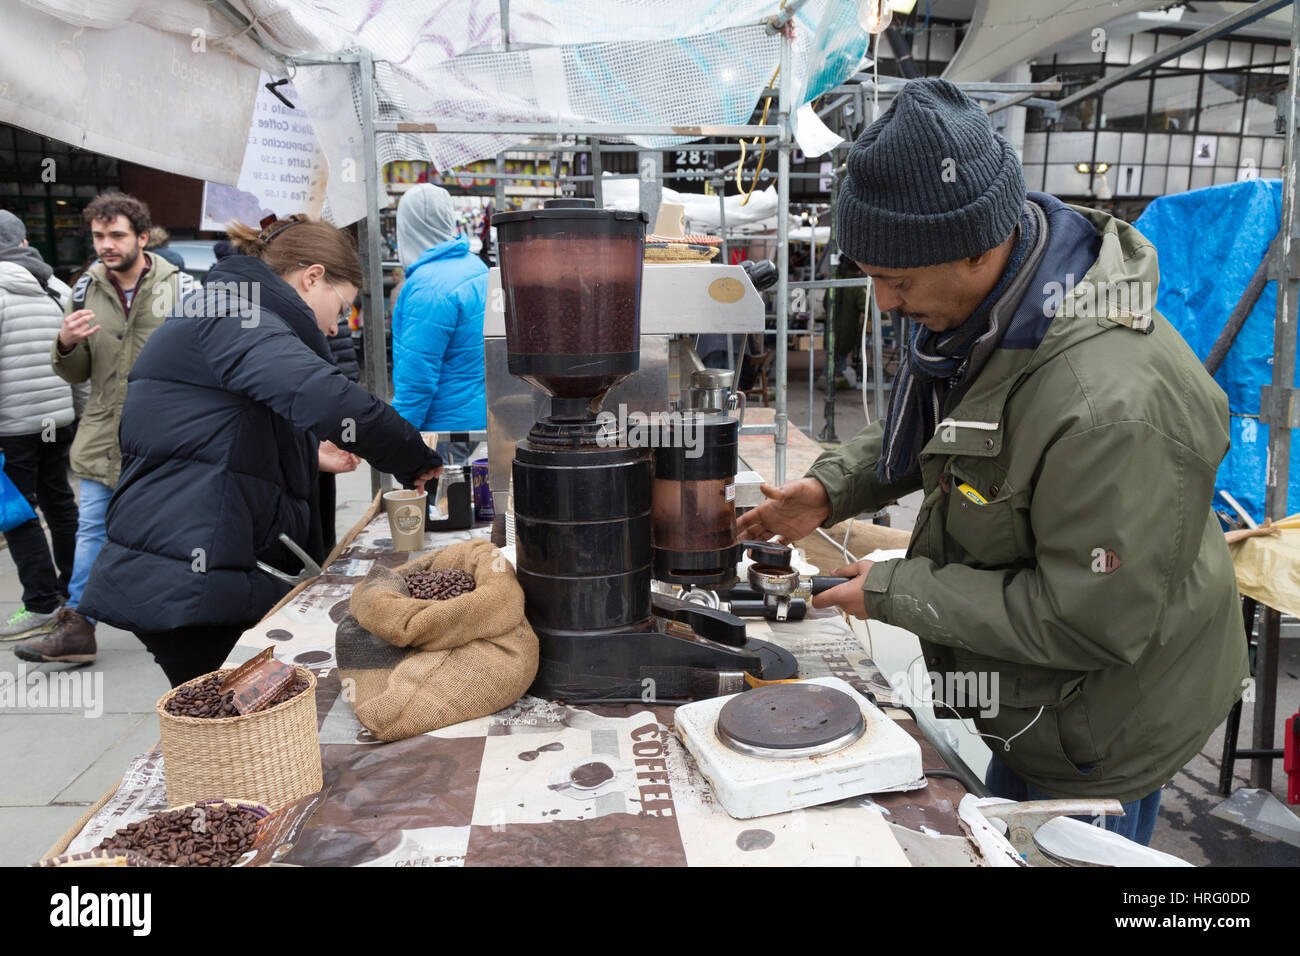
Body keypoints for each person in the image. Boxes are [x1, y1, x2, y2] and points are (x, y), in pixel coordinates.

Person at [737, 78, 1247, 847]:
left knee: (1061, 848)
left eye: (897, 281)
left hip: (1100, 724)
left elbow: (1092, 620)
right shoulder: (1006, 316)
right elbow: (962, 428)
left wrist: (898, 590)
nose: (884, 305)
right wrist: (828, 488)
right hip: (1036, 705)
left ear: (979, 245)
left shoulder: (1107, 403)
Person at [75, 215, 441, 686]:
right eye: (343, 305)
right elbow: (324, 397)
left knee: (243, 718)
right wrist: (414, 459)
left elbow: (215, 430)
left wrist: (308, 454)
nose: (336, 326)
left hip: (197, 564)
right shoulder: (232, 312)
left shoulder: (232, 308)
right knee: (231, 728)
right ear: (313, 277)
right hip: (187, 576)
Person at [15, 192, 192, 665]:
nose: (106, 245)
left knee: (168, 533)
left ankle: (181, 622)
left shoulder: (182, 289)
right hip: (101, 436)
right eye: (98, 236)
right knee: (92, 528)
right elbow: (75, 373)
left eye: (116, 235)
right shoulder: (82, 289)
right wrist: (66, 343)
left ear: (141, 235)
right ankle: (78, 627)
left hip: (164, 438)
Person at [0, 211, 80, 641]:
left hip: (11, 425)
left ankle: (40, 603)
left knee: (15, 513)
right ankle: (71, 592)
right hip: (58, 418)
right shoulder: (56, 287)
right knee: (59, 502)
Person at [390, 183, 487, 465]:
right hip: (478, 420)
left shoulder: (427, 286)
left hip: (441, 429)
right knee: (473, 503)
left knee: (442, 505)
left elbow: (417, 376)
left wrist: (396, 438)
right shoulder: (476, 267)